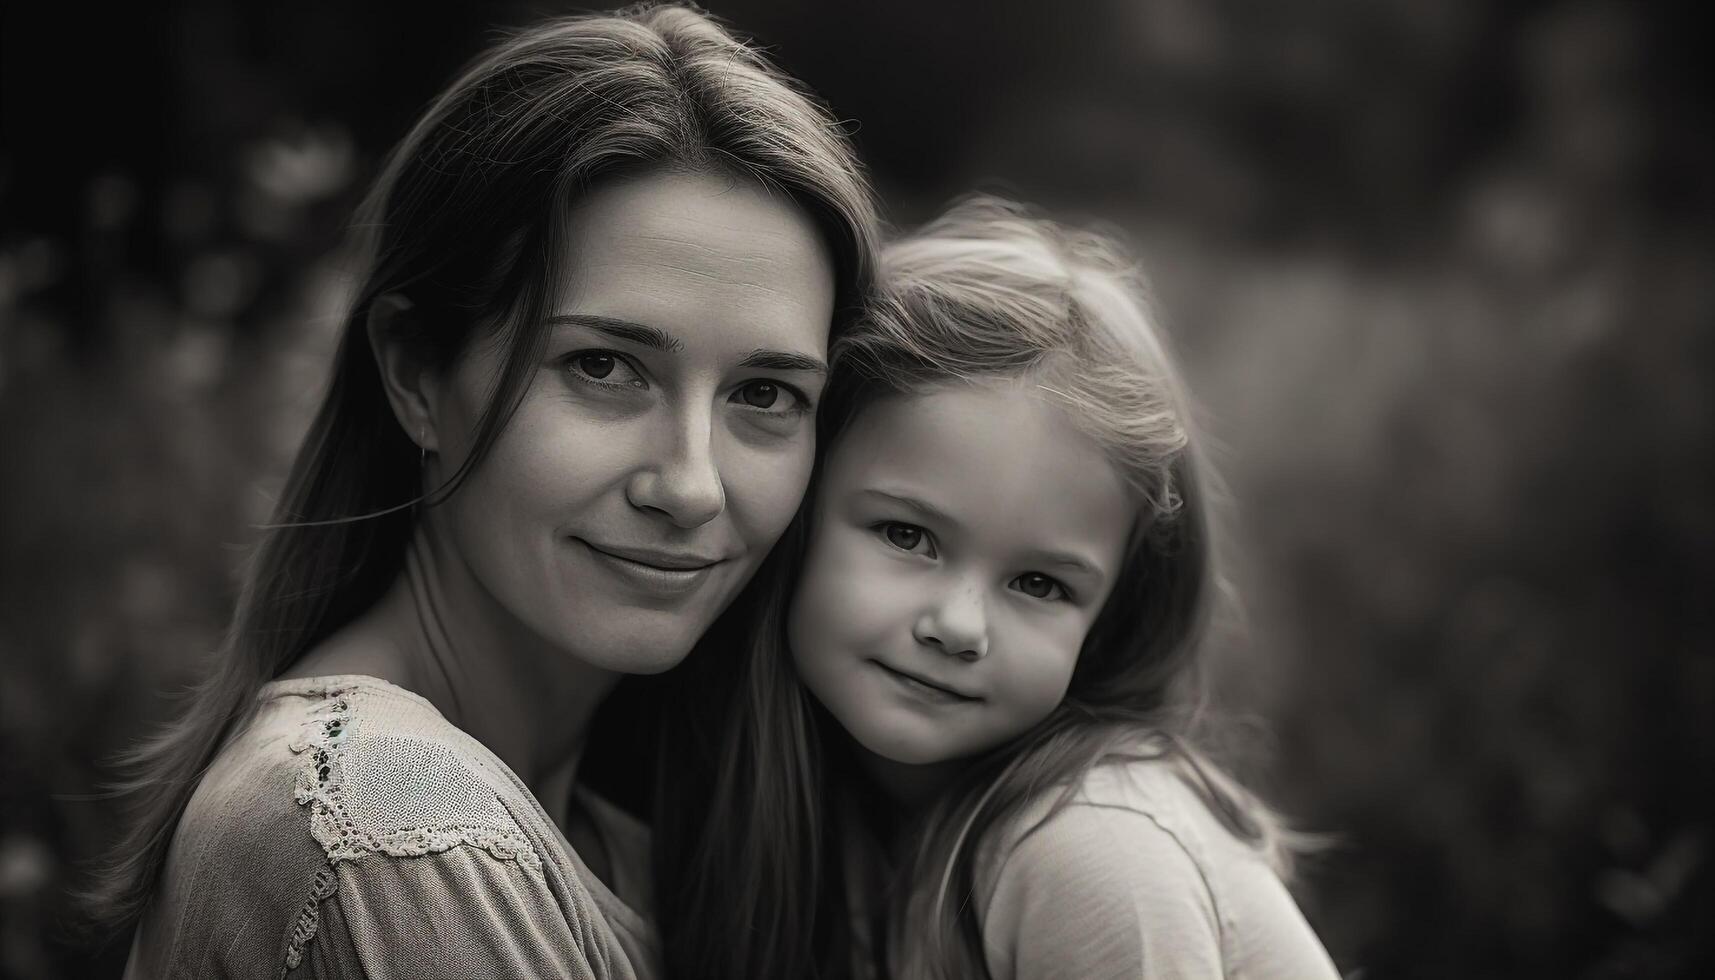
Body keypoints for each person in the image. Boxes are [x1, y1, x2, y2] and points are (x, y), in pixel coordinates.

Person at [88, 5, 878, 977]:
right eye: (602, 366)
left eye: (764, 393)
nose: (689, 485)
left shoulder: (613, 825)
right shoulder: (399, 828)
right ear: (416, 372)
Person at [660, 197, 1337, 978]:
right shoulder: (813, 820)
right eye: (907, 536)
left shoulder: (1091, 851)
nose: (958, 625)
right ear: (801, 502)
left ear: (1112, 612)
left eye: (1040, 584)